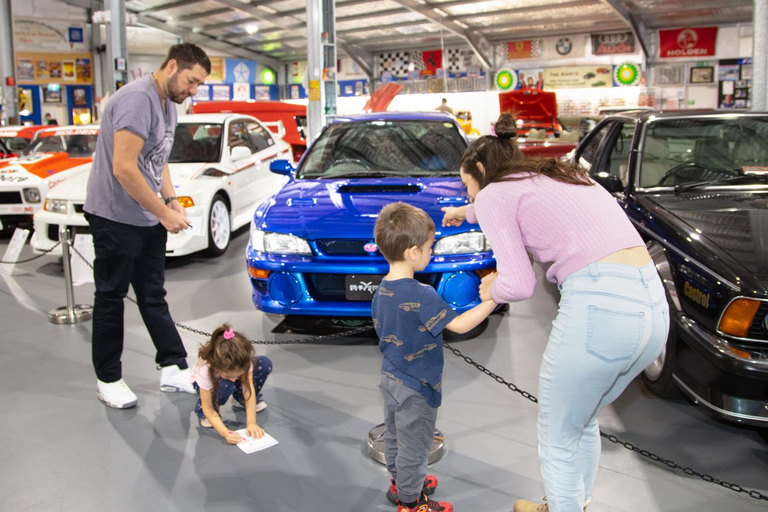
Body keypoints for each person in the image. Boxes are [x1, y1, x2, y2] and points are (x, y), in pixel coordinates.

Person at [441, 114, 668, 512]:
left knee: (557, 435)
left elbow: (519, 284)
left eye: (467, 186)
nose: (469, 194)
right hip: (652, 311)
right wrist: (467, 212)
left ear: (480, 170)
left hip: (600, 312)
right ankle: (573, 503)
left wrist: (492, 289)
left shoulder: (493, 195)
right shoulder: (561, 175)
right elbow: (515, 206)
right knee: (581, 420)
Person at [83, 43, 211, 409]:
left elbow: (158, 158)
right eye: (191, 81)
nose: (193, 91)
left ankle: (173, 366)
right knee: (111, 297)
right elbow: (123, 168)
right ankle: (108, 379)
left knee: (152, 294)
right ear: (172, 66)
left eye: (199, 85)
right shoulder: (137, 100)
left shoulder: (168, 103)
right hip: (114, 216)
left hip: (146, 213)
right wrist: (163, 212)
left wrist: (170, 201)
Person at [372, 202, 498, 512]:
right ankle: (411, 501)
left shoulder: (381, 290)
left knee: (395, 436)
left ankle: (401, 483)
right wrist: (494, 299)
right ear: (414, 252)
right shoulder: (421, 294)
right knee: (415, 446)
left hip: (390, 377)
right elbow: (460, 325)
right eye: (430, 247)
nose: (432, 252)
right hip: (417, 386)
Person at [191, 324, 272, 443]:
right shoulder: (205, 370)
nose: (234, 380)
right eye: (229, 376)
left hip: (225, 377)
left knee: (264, 363)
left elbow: (248, 389)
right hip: (209, 385)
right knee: (227, 385)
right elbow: (208, 409)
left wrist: (251, 423)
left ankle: (240, 398)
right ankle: (204, 409)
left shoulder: (243, 361)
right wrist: (226, 433)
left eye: (238, 375)